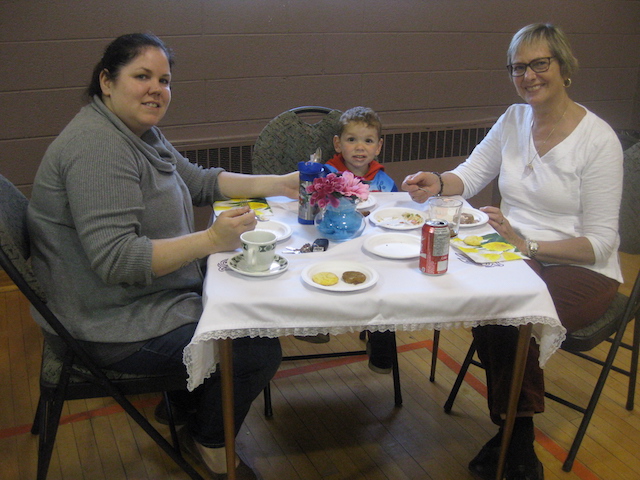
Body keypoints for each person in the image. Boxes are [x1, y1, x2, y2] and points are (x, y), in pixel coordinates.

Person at [27, 33, 298, 480]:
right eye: (142, 76)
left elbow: (199, 181)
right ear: (106, 81)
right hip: (110, 322)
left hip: (139, 298)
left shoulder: (136, 132)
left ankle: (182, 402)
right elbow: (117, 260)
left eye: (164, 80)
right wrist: (210, 241)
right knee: (256, 349)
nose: (156, 89)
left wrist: (280, 183)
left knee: (247, 305)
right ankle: (209, 440)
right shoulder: (97, 147)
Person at [402, 24, 623, 480]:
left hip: (582, 268)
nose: (528, 76)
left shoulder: (598, 140)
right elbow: (470, 174)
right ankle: (517, 441)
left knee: (509, 315)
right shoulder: (514, 119)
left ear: (564, 67)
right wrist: (437, 182)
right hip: (515, 253)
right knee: (492, 305)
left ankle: (515, 441)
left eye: (540, 63)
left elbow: (600, 242)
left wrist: (527, 244)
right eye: (518, 68)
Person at [326, 106, 399, 374]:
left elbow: (393, 216)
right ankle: (315, 325)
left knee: (386, 287)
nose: (360, 147)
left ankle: (381, 346)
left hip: (372, 249)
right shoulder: (326, 175)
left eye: (368, 141)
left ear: (378, 147)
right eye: (351, 139)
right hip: (334, 245)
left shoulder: (385, 182)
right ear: (338, 144)